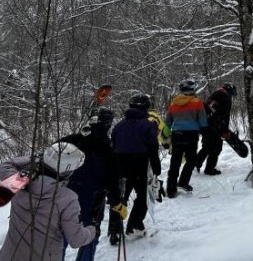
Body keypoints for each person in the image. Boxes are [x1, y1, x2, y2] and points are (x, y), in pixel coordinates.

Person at [0, 142, 95, 261]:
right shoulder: (67, 198)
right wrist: (92, 230)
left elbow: (5, 165)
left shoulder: (18, 183)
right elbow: (76, 239)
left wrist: (36, 158)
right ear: (67, 172)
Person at [60, 107, 120, 259]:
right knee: (90, 235)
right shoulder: (108, 148)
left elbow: (50, 159)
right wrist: (116, 203)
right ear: (108, 124)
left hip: (65, 197)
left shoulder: (70, 140)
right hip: (92, 201)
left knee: (61, 234)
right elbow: (113, 180)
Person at [110, 93, 161, 238]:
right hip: (140, 164)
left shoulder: (118, 126)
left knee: (120, 197)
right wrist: (157, 169)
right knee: (143, 196)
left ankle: (114, 231)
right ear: (145, 107)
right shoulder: (149, 125)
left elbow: (113, 146)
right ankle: (135, 225)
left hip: (121, 165)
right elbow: (152, 148)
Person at [165, 79, 208, 198]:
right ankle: (183, 182)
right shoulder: (197, 102)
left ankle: (170, 189)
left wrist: (165, 135)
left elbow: (168, 122)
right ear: (192, 89)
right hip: (191, 135)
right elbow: (203, 121)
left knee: (175, 162)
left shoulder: (174, 103)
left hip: (177, 135)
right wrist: (204, 131)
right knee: (191, 160)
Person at [196, 82, 237, 175]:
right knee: (216, 148)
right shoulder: (226, 98)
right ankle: (209, 170)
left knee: (206, 147)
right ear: (229, 91)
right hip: (215, 126)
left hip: (204, 125)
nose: (231, 96)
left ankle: (197, 162)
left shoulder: (213, 95)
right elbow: (226, 116)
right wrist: (225, 130)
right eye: (232, 94)